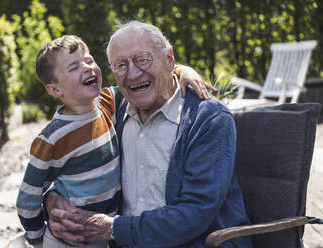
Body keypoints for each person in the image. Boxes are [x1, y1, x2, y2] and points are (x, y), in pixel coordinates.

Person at [45, 21, 253, 248]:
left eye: (143, 59)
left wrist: (113, 229)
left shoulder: (207, 119)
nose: (132, 74)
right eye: (120, 65)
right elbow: (75, 165)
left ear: (170, 59)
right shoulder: (113, 112)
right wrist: (53, 198)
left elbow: (197, 210)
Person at [16, 34, 213, 248]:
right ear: (55, 90)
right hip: (68, 238)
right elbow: (28, 198)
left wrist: (183, 70)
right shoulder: (51, 139)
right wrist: (37, 238)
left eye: (89, 60)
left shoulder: (107, 103)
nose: (87, 67)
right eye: (74, 67)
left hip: (104, 235)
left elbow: (148, 78)